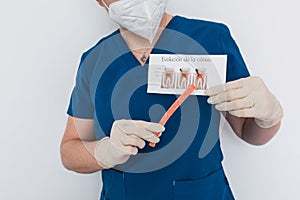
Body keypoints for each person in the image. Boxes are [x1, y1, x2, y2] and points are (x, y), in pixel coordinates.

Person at [60, 0, 284, 199]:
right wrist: (104, 152)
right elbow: (69, 150)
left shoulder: (212, 38)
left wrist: (269, 117)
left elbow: (248, 131)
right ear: (100, 1)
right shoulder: (93, 60)